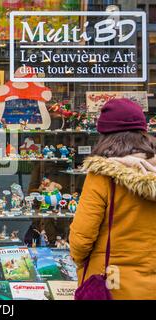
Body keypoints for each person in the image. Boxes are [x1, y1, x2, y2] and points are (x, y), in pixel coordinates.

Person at [69, 98, 156, 300]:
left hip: (113, 283)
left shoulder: (104, 175)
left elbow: (81, 239)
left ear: (105, 136)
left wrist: (79, 260)